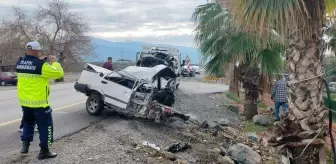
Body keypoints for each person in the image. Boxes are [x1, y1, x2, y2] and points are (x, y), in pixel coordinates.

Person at [17, 41, 64, 160]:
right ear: (37, 51)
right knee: (46, 126)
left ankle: (25, 146)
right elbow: (58, 74)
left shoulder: (20, 63)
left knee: (28, 123)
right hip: (40, 103)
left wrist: (40, 60)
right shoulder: (41, 65)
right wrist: (54, 62)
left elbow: (31, 66)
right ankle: (44, 151)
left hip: (25, 102)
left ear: (27, 50)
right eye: (39, 51)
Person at [17, 55, 38, 132]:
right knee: (28, 113)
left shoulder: (21, 66)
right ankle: (23, 127)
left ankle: (26, 126)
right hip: (28, 95)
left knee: (30, 113)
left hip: (26, 95)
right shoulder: (25, 68)